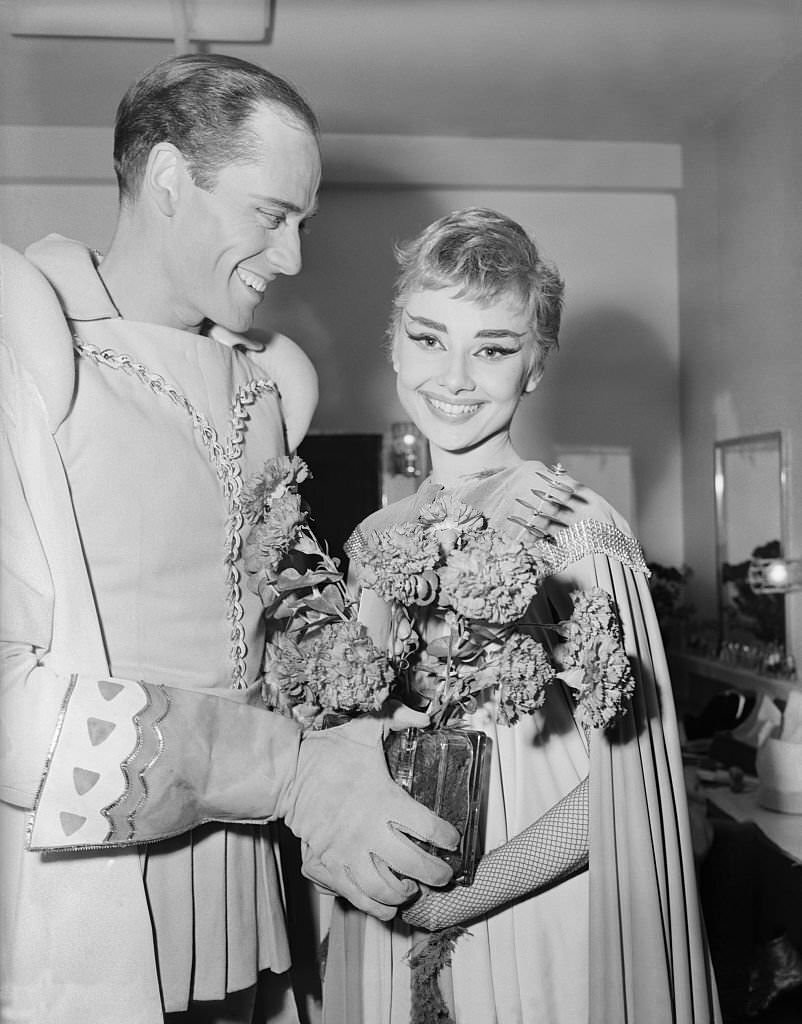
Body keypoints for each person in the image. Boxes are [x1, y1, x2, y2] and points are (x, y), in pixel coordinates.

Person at [0, 53, 459, 1024]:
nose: (292, 258)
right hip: (101, 895)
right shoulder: (30, 352)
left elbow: (284, 641)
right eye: (270, 214)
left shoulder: (270, 388)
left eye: (304, 222)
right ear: (169, 180)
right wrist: (288, 769)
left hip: (258, 890)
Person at [321, 208, 722, 1023]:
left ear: (535, 367)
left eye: (494, 349)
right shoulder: (373, 539)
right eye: (430, 339)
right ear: (393, 344)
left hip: (524, 924)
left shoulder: (576, 526)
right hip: (390, 906)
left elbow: (631, 789)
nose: (455, 376)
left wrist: (450, 904)